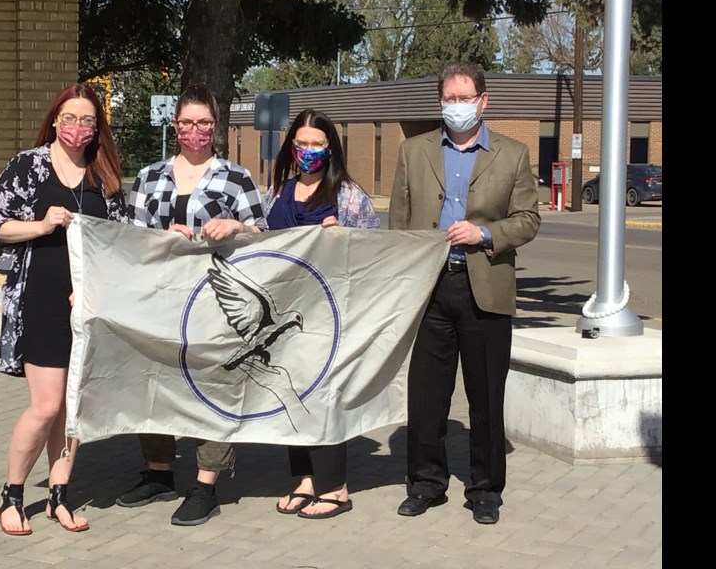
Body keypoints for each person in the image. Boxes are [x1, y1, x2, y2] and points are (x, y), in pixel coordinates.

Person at [388, 62, 540, 525]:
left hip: (485, 287)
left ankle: (485, 488)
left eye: (464, 98)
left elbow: (529, 219)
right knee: (427, 394)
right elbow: (398, 223)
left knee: (486, 395)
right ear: (441, 102)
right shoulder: (414, 152)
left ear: (483, 101)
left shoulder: (512, 154)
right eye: (449, 98)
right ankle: (427, 483)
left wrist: (485, 233)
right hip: (430, 288)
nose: (456, 106)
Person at [117, 83, 268, 526]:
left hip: (214, 302)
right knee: (155, 381)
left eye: (204, 123)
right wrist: (161, 238)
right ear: (175, 125)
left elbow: (265, 237)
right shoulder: (149, 177)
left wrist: (236, 225)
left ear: (215, 127)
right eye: (187, 123)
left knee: (212, 386)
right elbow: (129, 238)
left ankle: (206, 486)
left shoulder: (236, 177)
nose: (195, 131)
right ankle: (158, 472)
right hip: (159, 298)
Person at [0, 83, 127, 536]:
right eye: (70, 118)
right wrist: (41, 224)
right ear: (55, 119)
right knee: (45, 407)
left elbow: (120, 243)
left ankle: (60, 495)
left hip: (85, 305)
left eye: (87, 120)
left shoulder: (104, 176)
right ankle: (12, 495)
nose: (78, 127)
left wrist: (97, 289)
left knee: (73, 405)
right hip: (39, 298)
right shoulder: (28, 166)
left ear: (96, 127)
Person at [262, 108, 380, 520]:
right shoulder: (279, 190)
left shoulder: (348, 195)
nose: (308, 151)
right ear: (292, 147)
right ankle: (305, 479)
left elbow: (373, 253)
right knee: (292, 396)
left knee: (325, 397)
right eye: (302, 144)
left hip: (329, 318)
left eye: (317, 144)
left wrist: (343, 240)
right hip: (286, 316)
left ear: (331, 148)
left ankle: (335, 486)